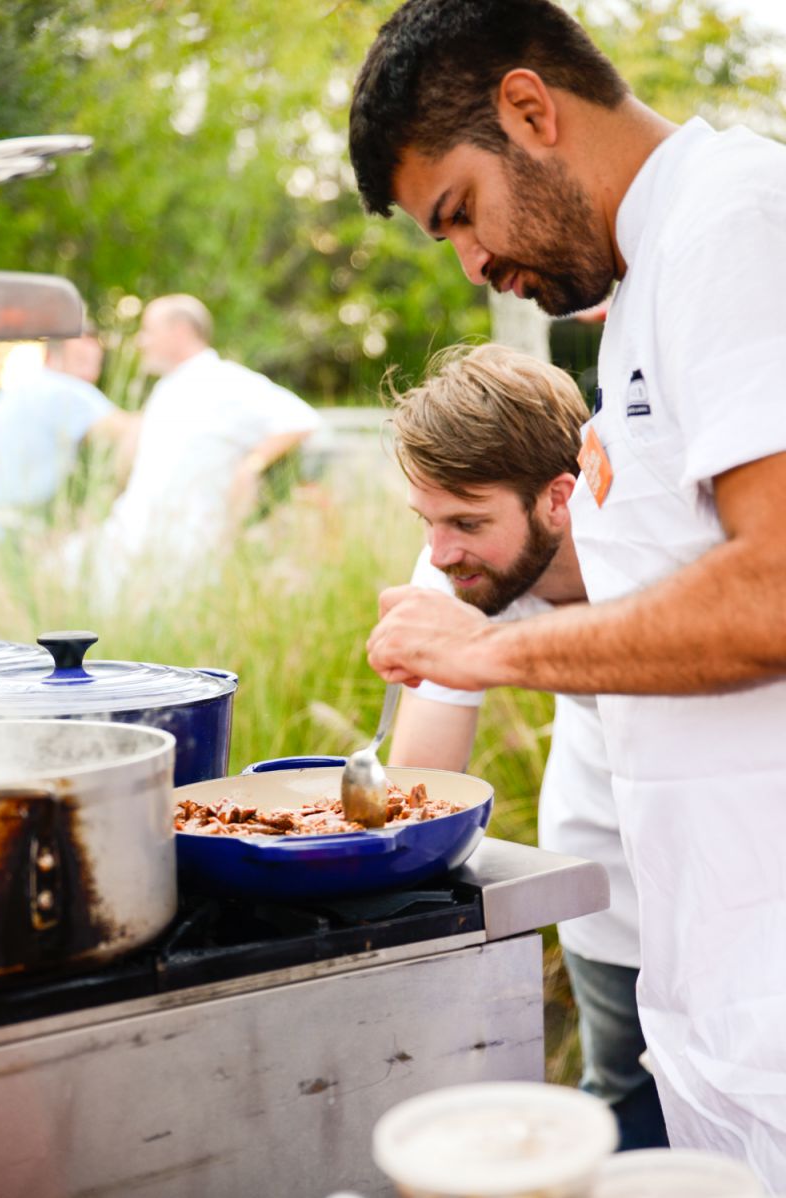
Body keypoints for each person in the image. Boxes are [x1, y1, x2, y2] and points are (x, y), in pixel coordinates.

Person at [349, 0, 786, 1187]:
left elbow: (773, 589)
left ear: (529, 109)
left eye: (458, 215)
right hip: (714, 981)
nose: (474, 263)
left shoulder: (733, 222)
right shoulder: (640, 289)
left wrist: (491, 653)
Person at [387, 342, 667, 1150]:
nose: (440, 555)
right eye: (428, 522)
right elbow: (421, 787)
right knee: (623, 1100)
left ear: (559, 498)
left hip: (744, 846)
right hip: (603, 850)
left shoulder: (662, 538)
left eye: (468, 521)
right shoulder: (458, 568)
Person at [98, 294, 323, 569]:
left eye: (148, 331)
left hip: (185, 552)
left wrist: (251, 465)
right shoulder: (167, 386)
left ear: (179, 331)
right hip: (130, 542)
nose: (141, 341)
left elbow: (301, 419)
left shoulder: (224, 380)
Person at [0, 330, 137, 543]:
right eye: (81, 361)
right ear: (50, 357)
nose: (90, 375)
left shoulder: (17, 389)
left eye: (95, 363)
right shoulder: (62, 388)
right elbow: (132, 432)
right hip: (12, 531)